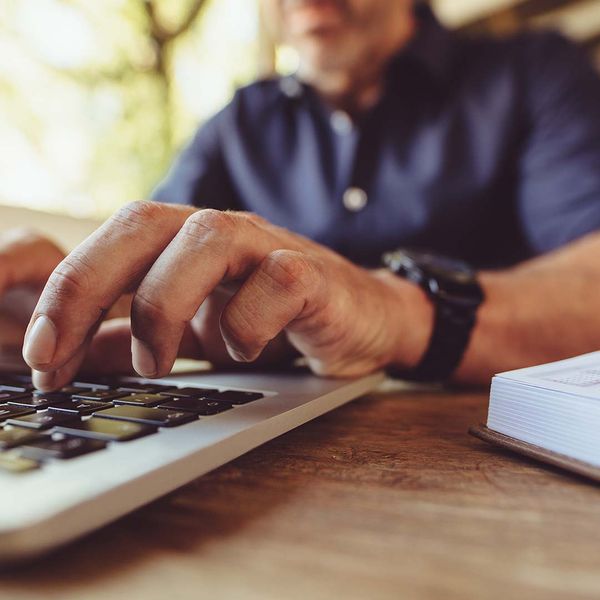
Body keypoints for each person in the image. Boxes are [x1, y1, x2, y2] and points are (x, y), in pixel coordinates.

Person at [3, 0, 600, 391]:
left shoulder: (534, 73)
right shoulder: (240, 121)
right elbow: (148, 280)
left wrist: (393, 310)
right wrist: (57, 307)